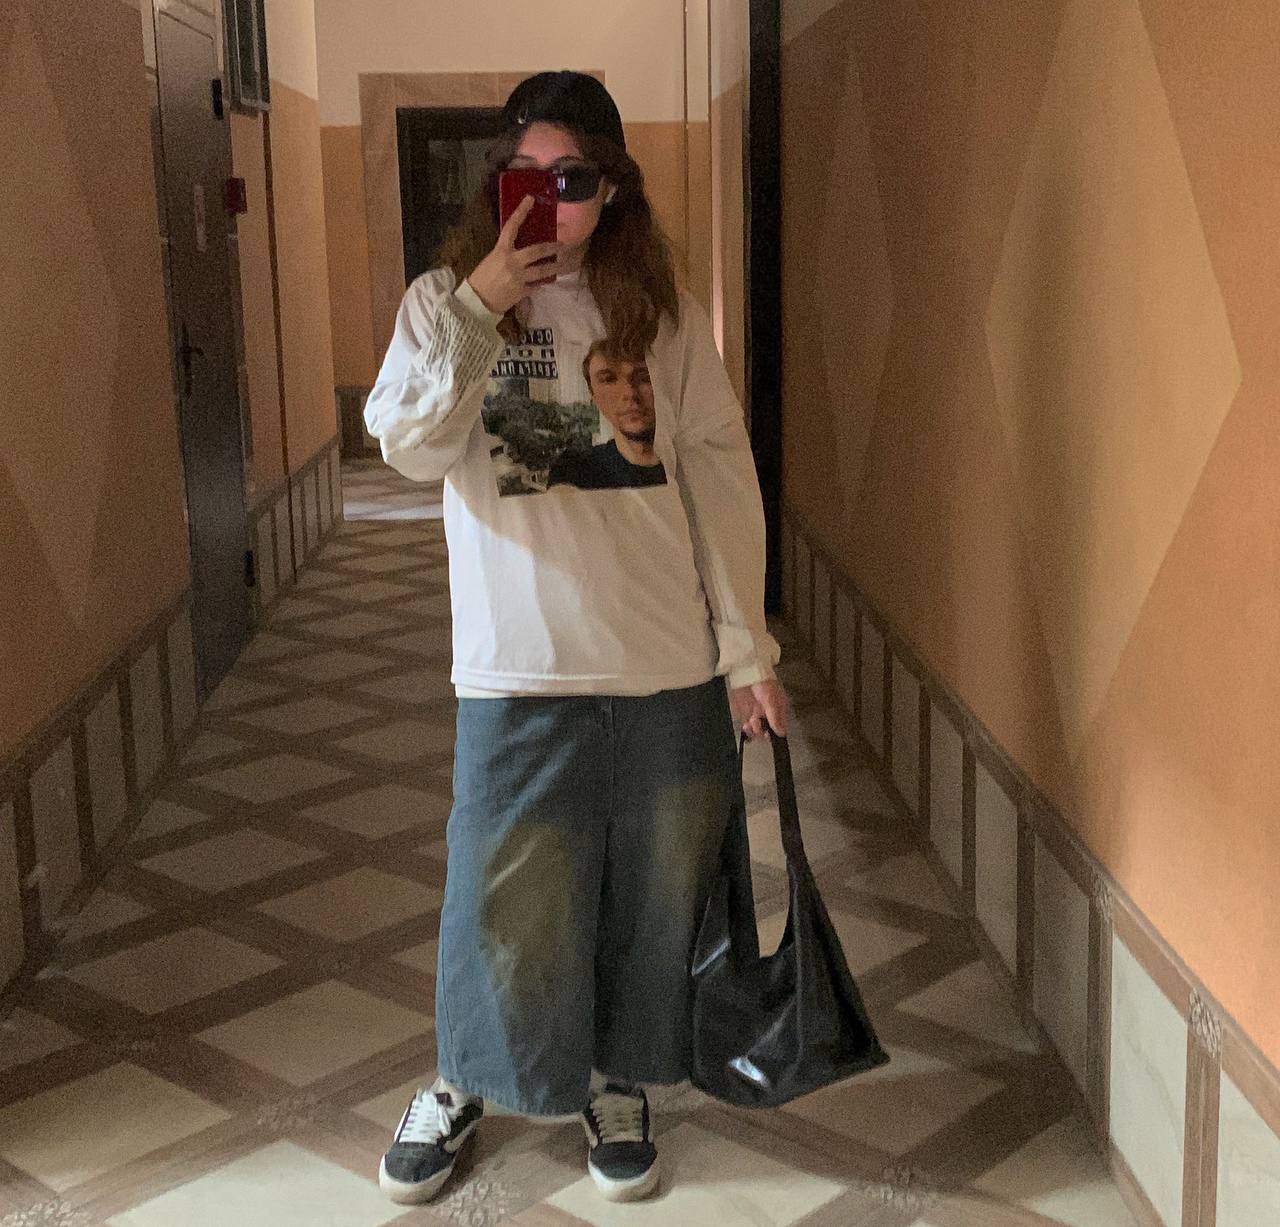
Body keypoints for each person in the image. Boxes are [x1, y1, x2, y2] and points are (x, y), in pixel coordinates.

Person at [364, 70, 787, 1207]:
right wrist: (481, 302)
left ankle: (616, 1078)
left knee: (649, 896)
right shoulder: (441, 302)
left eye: (575, 178)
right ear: (495, 181)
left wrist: (746, 653)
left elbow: (718, 481)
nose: (550, 198)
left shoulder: (661, 314)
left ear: (612, 189)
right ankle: (463, 1077)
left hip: (663, 664)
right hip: (518, 669)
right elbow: (407, 444)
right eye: (527, 174)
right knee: (502, 898)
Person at [548, 341, 667, 489]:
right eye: (608, 380)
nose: (629, 393)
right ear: (593, 395)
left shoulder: (690, 468)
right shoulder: (575, 470)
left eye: (643, 377)